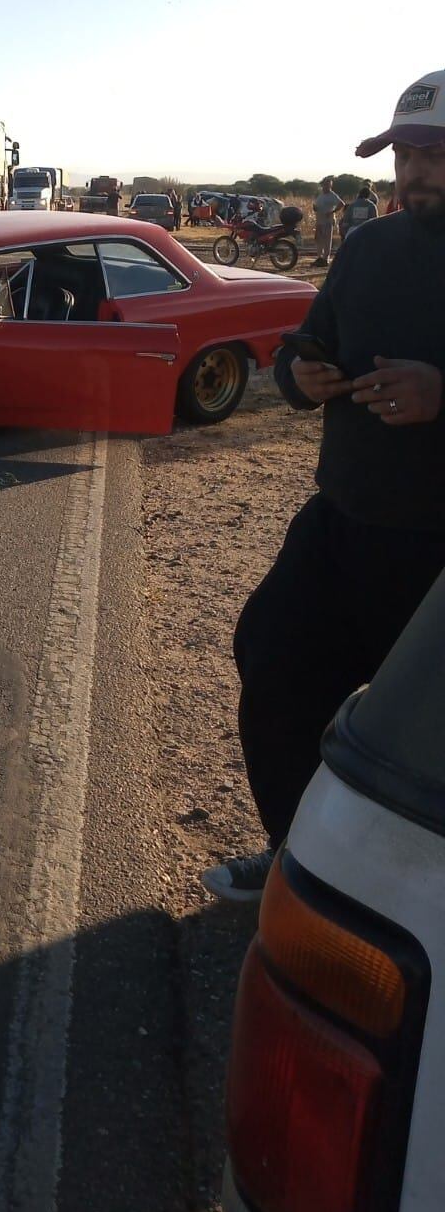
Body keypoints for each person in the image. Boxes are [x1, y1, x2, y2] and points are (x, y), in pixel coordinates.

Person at [203, 68, 445, 902]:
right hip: (345, 522)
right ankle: (295, 856)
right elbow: (302, 346)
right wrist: (300, 376)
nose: (415, 171)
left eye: (436, 154)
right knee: (272, 663)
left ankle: (407, 919)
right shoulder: (371, 246)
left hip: (438, 556)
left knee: (420, 747)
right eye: (404, 153)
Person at [310, 176, 344, 265]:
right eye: (324, 184)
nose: (325, 186)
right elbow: (317, 205)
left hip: (327, 221)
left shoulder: (332, 195)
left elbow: (341, 204)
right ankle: (319, 257)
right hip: (319, 220)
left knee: (327, 240)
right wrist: (315, 208)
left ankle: (326, 258)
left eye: (328, 185)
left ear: (330, 186)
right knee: (319, 239)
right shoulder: (321, 195)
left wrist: (332, 212)